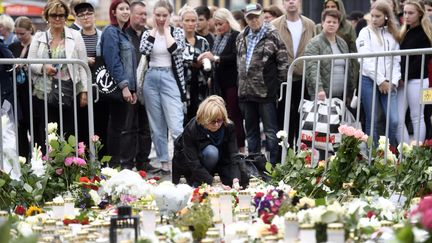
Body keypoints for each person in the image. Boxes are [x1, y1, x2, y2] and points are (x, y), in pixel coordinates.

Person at [28, 0, 88, 152]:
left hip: (70, 90)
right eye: (53, 15)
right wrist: (43, 67)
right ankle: (47, 165)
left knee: (69, 130)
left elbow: (83, 65)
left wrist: (85, 91)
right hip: (44, 92)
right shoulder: (39, 37)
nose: (57, 18)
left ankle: (69, 166)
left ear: (66, 17)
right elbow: (29, 63)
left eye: (61, 15)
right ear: (47, 16)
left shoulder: (75, 36)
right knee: (47, 130)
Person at [236, 3, 289, 164]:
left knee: (271, 132)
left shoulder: (273, 34)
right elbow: (238, 64)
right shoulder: (241, 37)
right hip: (246, 92)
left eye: (256, 16)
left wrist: (275, 85)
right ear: (246, 18)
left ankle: (273, 166)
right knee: (251, 132)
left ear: (261, 16)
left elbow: (283, 63)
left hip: (266, 92)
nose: (254, 20)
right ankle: (255, 166)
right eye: (250, 17)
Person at [140, 0, 186, 174]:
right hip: (151, 77)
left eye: (164, 15)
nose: (160, 18)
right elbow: (144, 49)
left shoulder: (177, 32)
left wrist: (166, 30)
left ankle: (181, 160)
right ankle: (164, 163)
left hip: (169, 77)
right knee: (157, 125)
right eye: (157, 15)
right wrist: (154, 30)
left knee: (175, 124)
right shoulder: (147, 34)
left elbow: (176, 49)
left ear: (170, 16)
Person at [198, 8, 246, 153]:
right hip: (219, 83)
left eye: (221, 24)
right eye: (217, 24)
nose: (218, 27)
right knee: (221, 116)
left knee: (234, 116)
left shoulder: (236, 36)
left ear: (228, 22)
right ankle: (227, 147)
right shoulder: (217, 38)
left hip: (232, 83)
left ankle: (240, 148)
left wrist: (215, 58)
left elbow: (234, 57)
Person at [271, 0, 315, 149]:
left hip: (304, 79)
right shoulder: (275, 25)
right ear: (283, 3)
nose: (291, 2)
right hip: (284, 80)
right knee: (284, 120)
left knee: (303, 120)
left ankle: (303, 156)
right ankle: (284, 156)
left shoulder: (310, 25)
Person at [356, 0, 401, 147]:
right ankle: (373, 156)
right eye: (372, 16)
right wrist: (380, 80)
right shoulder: (364, 32)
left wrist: (392, 82)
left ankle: (389, 153)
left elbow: (396, 61)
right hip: (369, 80)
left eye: (378, 16)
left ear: (386, 17)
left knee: (393, 120)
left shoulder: (393, 33)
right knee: (372, 120)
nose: (374, 19)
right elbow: (366, 60)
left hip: (389, 82)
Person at [101, 0, 138, 169]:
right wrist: (124, 86)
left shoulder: (125, 34)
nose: (125, 11)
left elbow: (131, 65)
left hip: (125, 87)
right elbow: (113, 61)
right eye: (121, 9)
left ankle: (115, 163)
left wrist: (133, 88)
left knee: (120, 127)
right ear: (113, 12)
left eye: (127, 9)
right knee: (115, 128)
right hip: (115, 88)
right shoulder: (110, 32)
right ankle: (112, 164)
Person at [172, 95, 240, 186]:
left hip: (218, 163)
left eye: (219, 120)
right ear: (204, 119)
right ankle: (199, 183)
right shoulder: (191, 129)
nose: (216, 125)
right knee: (211, 152)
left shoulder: (228, 126)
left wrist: (235, 178)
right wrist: (214, 183)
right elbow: (193, 163)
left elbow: (233, 155)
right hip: (189, 166)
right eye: (212, 121)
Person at [124, 0, 156, 172]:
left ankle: (143, 161)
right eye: (140, 14)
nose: (143, 17)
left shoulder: (149, 34)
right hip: (129, 88)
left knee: (145, 127)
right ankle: (127, 162)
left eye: (145, 14)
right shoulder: (124, 34)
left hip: (147, 87)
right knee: (129, 126)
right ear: (130, 14)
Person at [397, 0, 432, 143]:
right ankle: (405, 153)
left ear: (420, 14)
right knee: (398, 119)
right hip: (403, 80)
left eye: (410, 13)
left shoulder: (425, 33)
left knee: (417, 117)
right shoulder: (405, 31)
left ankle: (415, 154)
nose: (406, 16)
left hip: (418, 80)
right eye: (405, 12)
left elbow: (420, 61)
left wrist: (404, 76)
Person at [305, 9, 355, 101]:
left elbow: (349, 68)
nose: (331, 24)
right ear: (322, 23)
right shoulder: (314, 43)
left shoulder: (343, 43)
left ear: (338, 24)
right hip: (322, 96)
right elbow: (312, 68)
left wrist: (350, 91)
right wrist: (319, 89)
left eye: (334, 22)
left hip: (341, 96)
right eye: (328, 21)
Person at [8, 17, 35, 158]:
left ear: (30, 30)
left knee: (35, 128)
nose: (19, 37)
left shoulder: (36, 45)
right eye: (16, 33)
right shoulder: (13, 46)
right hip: (17, 94)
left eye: (22, 34)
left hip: (33, 93)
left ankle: (37, 159)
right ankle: (23, 159)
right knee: (20, 129)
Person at [180, 6, 211, 123]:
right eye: (187, 20)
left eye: (193, 20)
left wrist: (202, 65)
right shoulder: (177, 41)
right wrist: (192, 62)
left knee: (200, 119)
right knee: (183, 120)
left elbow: (209, 67)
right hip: (182, 87)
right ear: (181, 22)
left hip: (200, 86)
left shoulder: (203, 42)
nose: (190, 23)